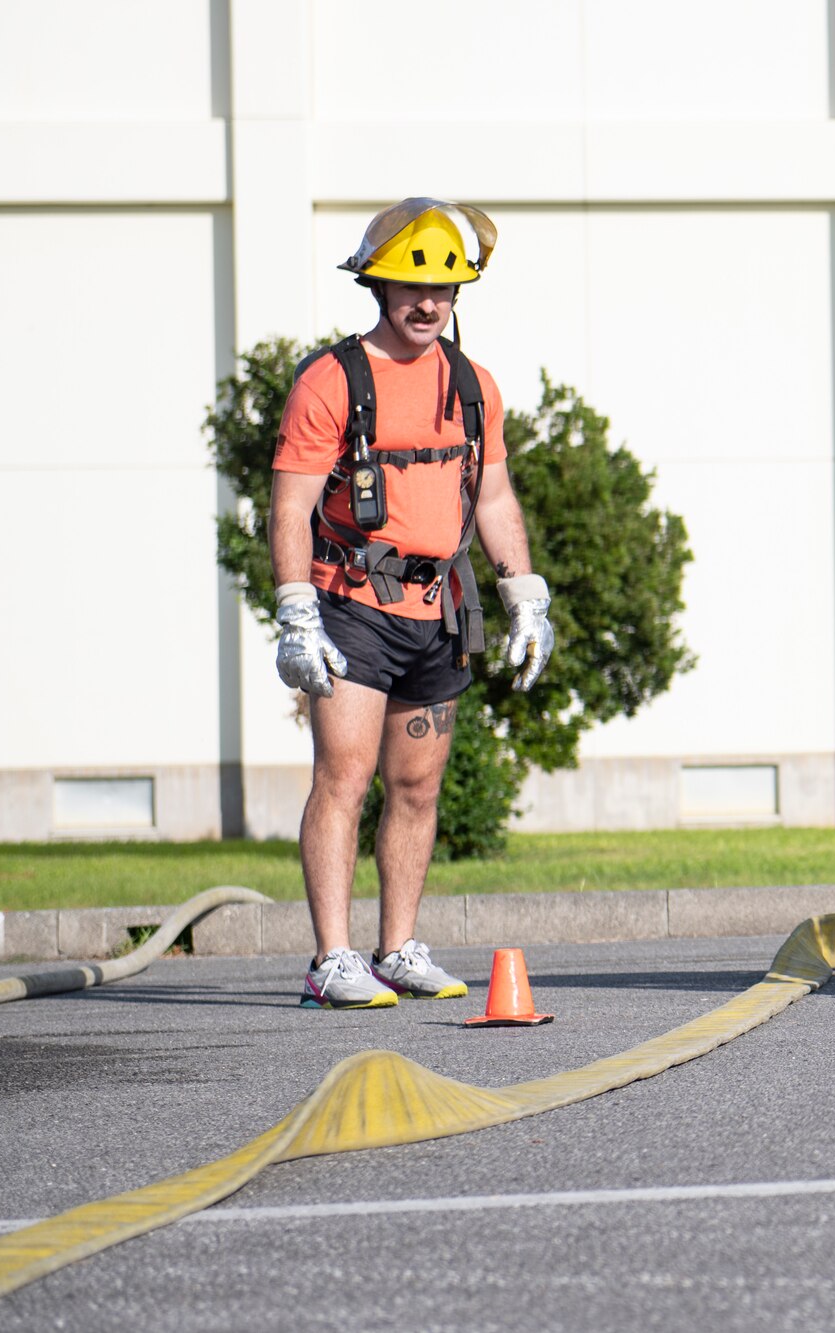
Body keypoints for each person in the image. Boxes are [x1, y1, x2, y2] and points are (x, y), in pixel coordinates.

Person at [270, 198, 555, 1009]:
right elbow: (290, 506)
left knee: (418, 786)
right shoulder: (333, 381)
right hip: (352, 602)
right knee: (345, 776)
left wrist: (523, 594)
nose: (427, 305)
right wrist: (296, 610)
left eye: (444, 292)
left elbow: (493, 496)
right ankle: (332, 958)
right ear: (377, 288)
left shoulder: (473, 386)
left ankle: (397, 949)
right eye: (408, 289)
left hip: (438, 607)